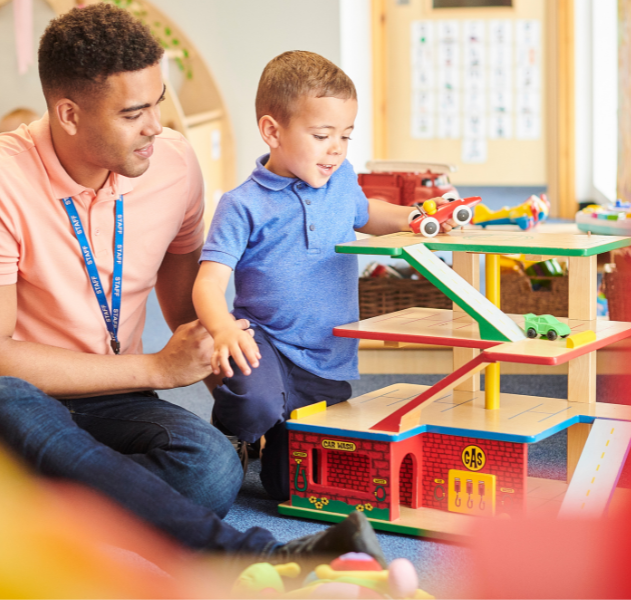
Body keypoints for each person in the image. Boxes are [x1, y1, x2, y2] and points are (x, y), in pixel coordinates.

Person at [0, 4, 385, 566]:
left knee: (213, 468)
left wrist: (251, 397)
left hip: (113, 398)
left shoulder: (172, 163)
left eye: (158, 102)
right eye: (133, 113)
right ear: (69, 114)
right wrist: (158, 370)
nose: (154, 127)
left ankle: (6, 503)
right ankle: (247, 556)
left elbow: (188, 301)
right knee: (6, 396)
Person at [192, 51, 456, 501]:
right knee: (254, 406)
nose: (336, 148)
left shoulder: (341, 178)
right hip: (267, 343)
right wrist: (220, 329)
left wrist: (413, 218)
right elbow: (209, 281)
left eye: (346, 136)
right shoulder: (241, 204)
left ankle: (276, 434)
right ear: (272, 131)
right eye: (321, 135)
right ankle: (237, 427)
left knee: (286, 488)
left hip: (326, 354)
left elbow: (366, 212)